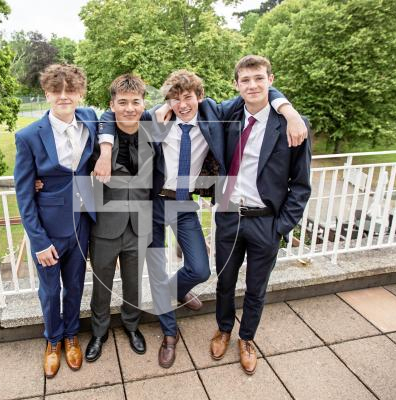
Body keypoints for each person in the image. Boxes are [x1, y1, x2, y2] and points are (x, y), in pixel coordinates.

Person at [96, 69, 307, 368]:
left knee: (200, 268)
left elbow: (257, 92)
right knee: (157, 270)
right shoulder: (154, 118)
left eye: (188, 97)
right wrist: (105, 150)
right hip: (154, 204)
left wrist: (289, 110)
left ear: (199, 97)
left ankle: (176, 289)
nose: (183, 105)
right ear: (168, 100)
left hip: (184, 205)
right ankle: (170, 334)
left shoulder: (213, 114)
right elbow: (108, 115)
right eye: (175, 98)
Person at [210, 55, 311, 375]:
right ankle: (224, 328)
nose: (252, 85)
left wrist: (280, 227)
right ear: (236, 84)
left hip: (266, 221)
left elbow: (302, 185)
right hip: (228, 213)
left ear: (271, 79)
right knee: (224, 282)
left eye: (258, 78)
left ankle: (247, 338)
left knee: (256, 287)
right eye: (245, 80)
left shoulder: (292, 125)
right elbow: (198, 103)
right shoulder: (229, 114)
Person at [13, 64, 97, 378]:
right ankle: (52, 341)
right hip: (49, 229)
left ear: (79, 93)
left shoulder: (89, 118)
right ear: (47, 93)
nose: (64, 96)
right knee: (49, 291)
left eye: (70, 90)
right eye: (57, 91)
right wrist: (39, 240)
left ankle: (72, 335)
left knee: (75, 285)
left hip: (82, 223)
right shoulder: (28, 136)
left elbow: (119, 124)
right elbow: (24, 194)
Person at [84, 74, 156, 362]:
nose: (129, 108)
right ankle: (99, 332)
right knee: (102, 283)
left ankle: (132, 325)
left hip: (139, 223)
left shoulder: (153, 129)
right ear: (112, 105)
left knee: (133, 282)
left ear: (143, 104)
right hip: (104, 225)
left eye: (135, 102)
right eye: (122, 102)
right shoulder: (97, 138)